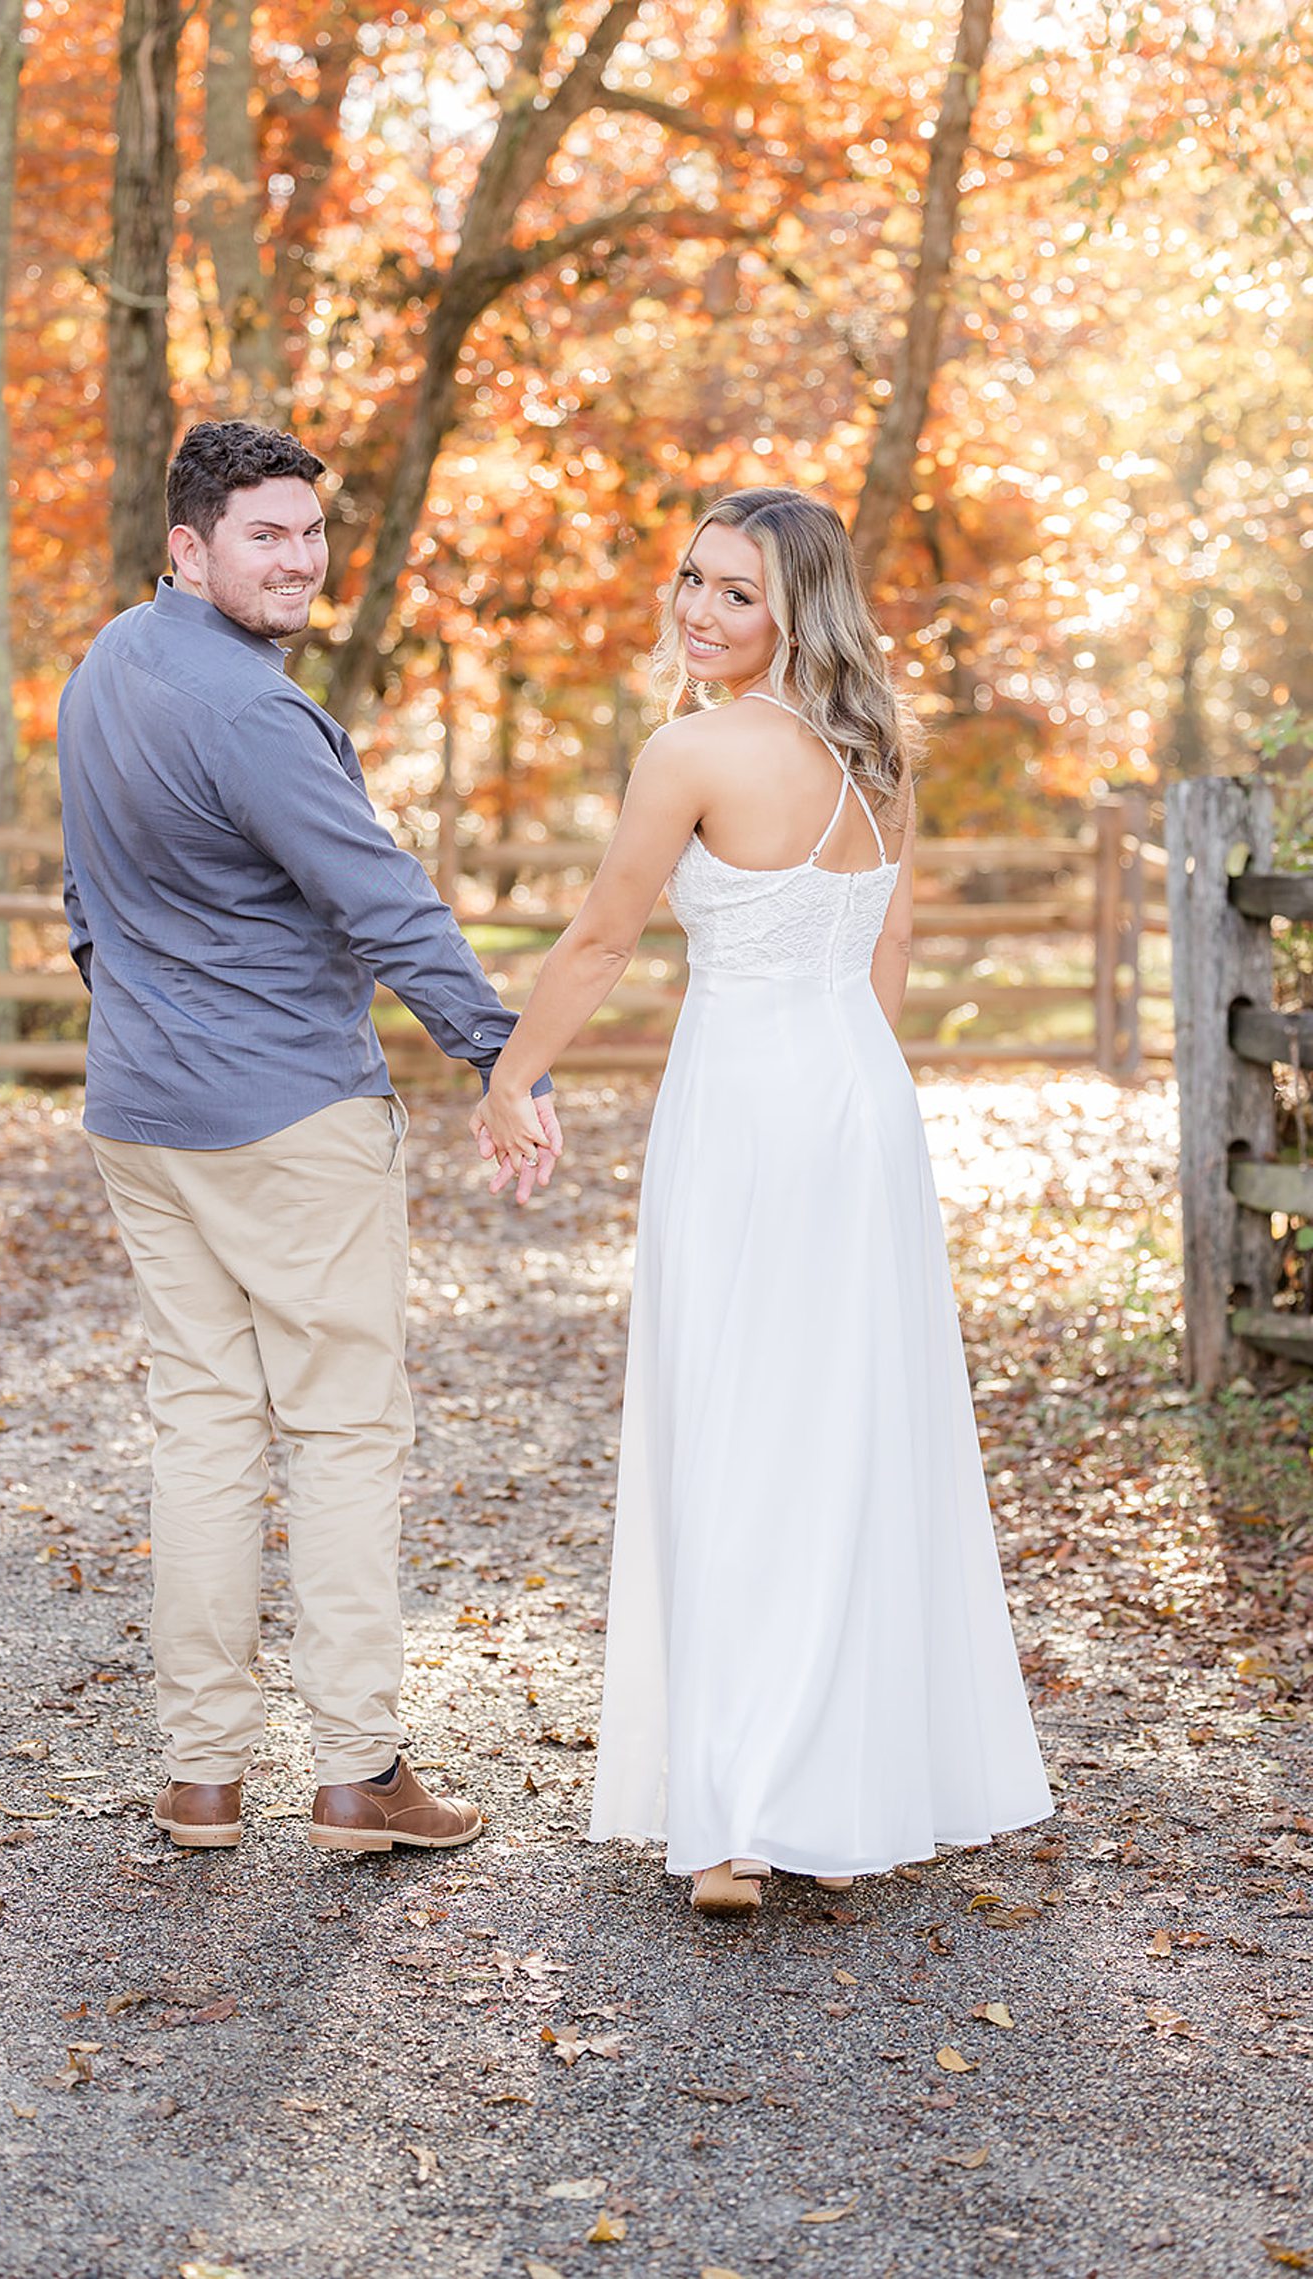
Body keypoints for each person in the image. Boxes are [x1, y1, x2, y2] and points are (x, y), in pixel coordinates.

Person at [474, 486, 1054, 1914]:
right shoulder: (875, 752)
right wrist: (857, 1091)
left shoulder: (692, 750)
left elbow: (607, 932)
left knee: (737, 1423)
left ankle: (734, 1820)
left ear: (798, 608)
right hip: (860, 1100)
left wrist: (512, 1077)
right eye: (691, 578)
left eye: (737, 591)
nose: (699, 609)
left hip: (745, 1103)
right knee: (846, 1426)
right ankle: (842, 1782)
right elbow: (893, 938)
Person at [57, 419, 558, 1856]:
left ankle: (203, 1777)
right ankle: (355, 1772)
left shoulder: (106, 665)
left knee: (206, 1430)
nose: (299, 559)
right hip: (284, 1115)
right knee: (342, 1430)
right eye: (264, 535)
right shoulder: (253, 712)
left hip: (142, 1112)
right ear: (190, 545)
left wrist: (149, 1018)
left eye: (310, 534)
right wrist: (498, 1057)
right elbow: (381, 898)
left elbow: (87, 903)